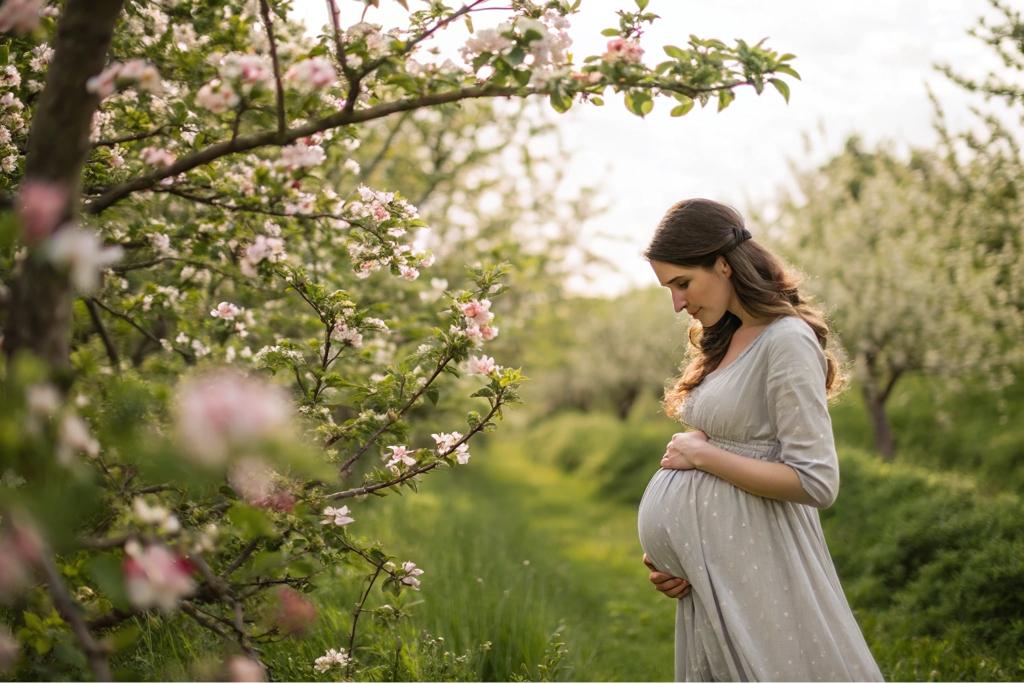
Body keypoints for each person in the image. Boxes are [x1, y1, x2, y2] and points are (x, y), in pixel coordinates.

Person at [636, 198, 884, 682]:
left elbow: (816, 482)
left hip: (761, 562)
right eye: (670, 289)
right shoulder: (728, 337)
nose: (678, 303)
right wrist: (681, 555)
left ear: (723, 263)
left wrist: (703, 456)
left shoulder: (786, 339)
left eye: (682, 283)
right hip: (718, 573)